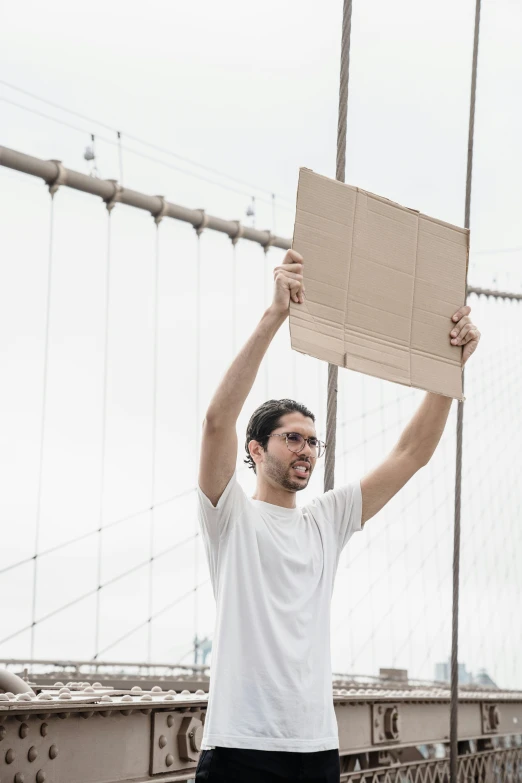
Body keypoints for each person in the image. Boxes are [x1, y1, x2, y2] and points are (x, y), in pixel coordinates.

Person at [195, 249, 481, 782]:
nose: (305, 450)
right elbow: (216, 421)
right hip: (238, 746)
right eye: (291, 439)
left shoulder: (326, 519)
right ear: (255, 449)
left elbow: (411, 454)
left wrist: (450, 368)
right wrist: (275, 314)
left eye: (312, 442)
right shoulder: (228, 516)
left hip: (315, 748)